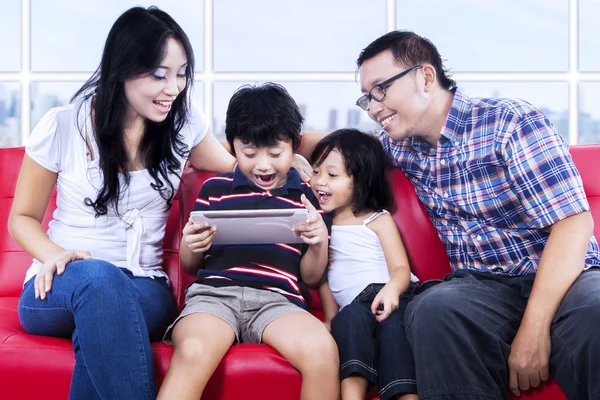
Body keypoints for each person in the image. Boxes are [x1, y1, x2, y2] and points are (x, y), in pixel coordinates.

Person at [299, 30, 600, 400]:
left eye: (381, 90)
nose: (373, 107)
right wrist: (258, 144)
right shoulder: (400, 145)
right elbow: (333, 144)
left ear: (425, 77)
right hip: (483, 290)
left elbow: (573, 223)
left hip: (567, 279)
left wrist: (534, 329)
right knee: (434, 308)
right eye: (366, 98)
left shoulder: (510, 122)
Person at [7, 6, 239, 400]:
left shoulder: (182, 126)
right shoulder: (63, 124)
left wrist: (300, 150)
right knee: (99, 279)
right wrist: (54, 255)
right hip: (59, 284)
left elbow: (239, 165)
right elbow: (23, 217)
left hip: (144, 287)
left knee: (99, 324)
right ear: (123, 68)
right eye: (159, 74)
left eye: (181, 74)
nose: (174, 88)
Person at [157, 82, 340, 400]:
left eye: (275, 153)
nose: (263, 165)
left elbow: (310, 277)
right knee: (194, 350)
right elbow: (190, 264)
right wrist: (191, 243)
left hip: (278, 301)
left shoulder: (307, 195)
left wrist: (318, 242)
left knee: (322, 350)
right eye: (250, 153)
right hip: (213, 297)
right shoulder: (215, 188)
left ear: (294, 145)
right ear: (233, 146)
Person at [311, 128, 420, 400]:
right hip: (354, 307)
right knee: (348, 320)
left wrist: (392, 291)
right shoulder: (319, 227)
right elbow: (323, 276)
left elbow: (400, 269)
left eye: (332, 175)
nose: (320, 182)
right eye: (316, 171)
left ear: (359, 181)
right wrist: (328, 318)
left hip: (395, 296)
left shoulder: (377, 220)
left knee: (394, 329)